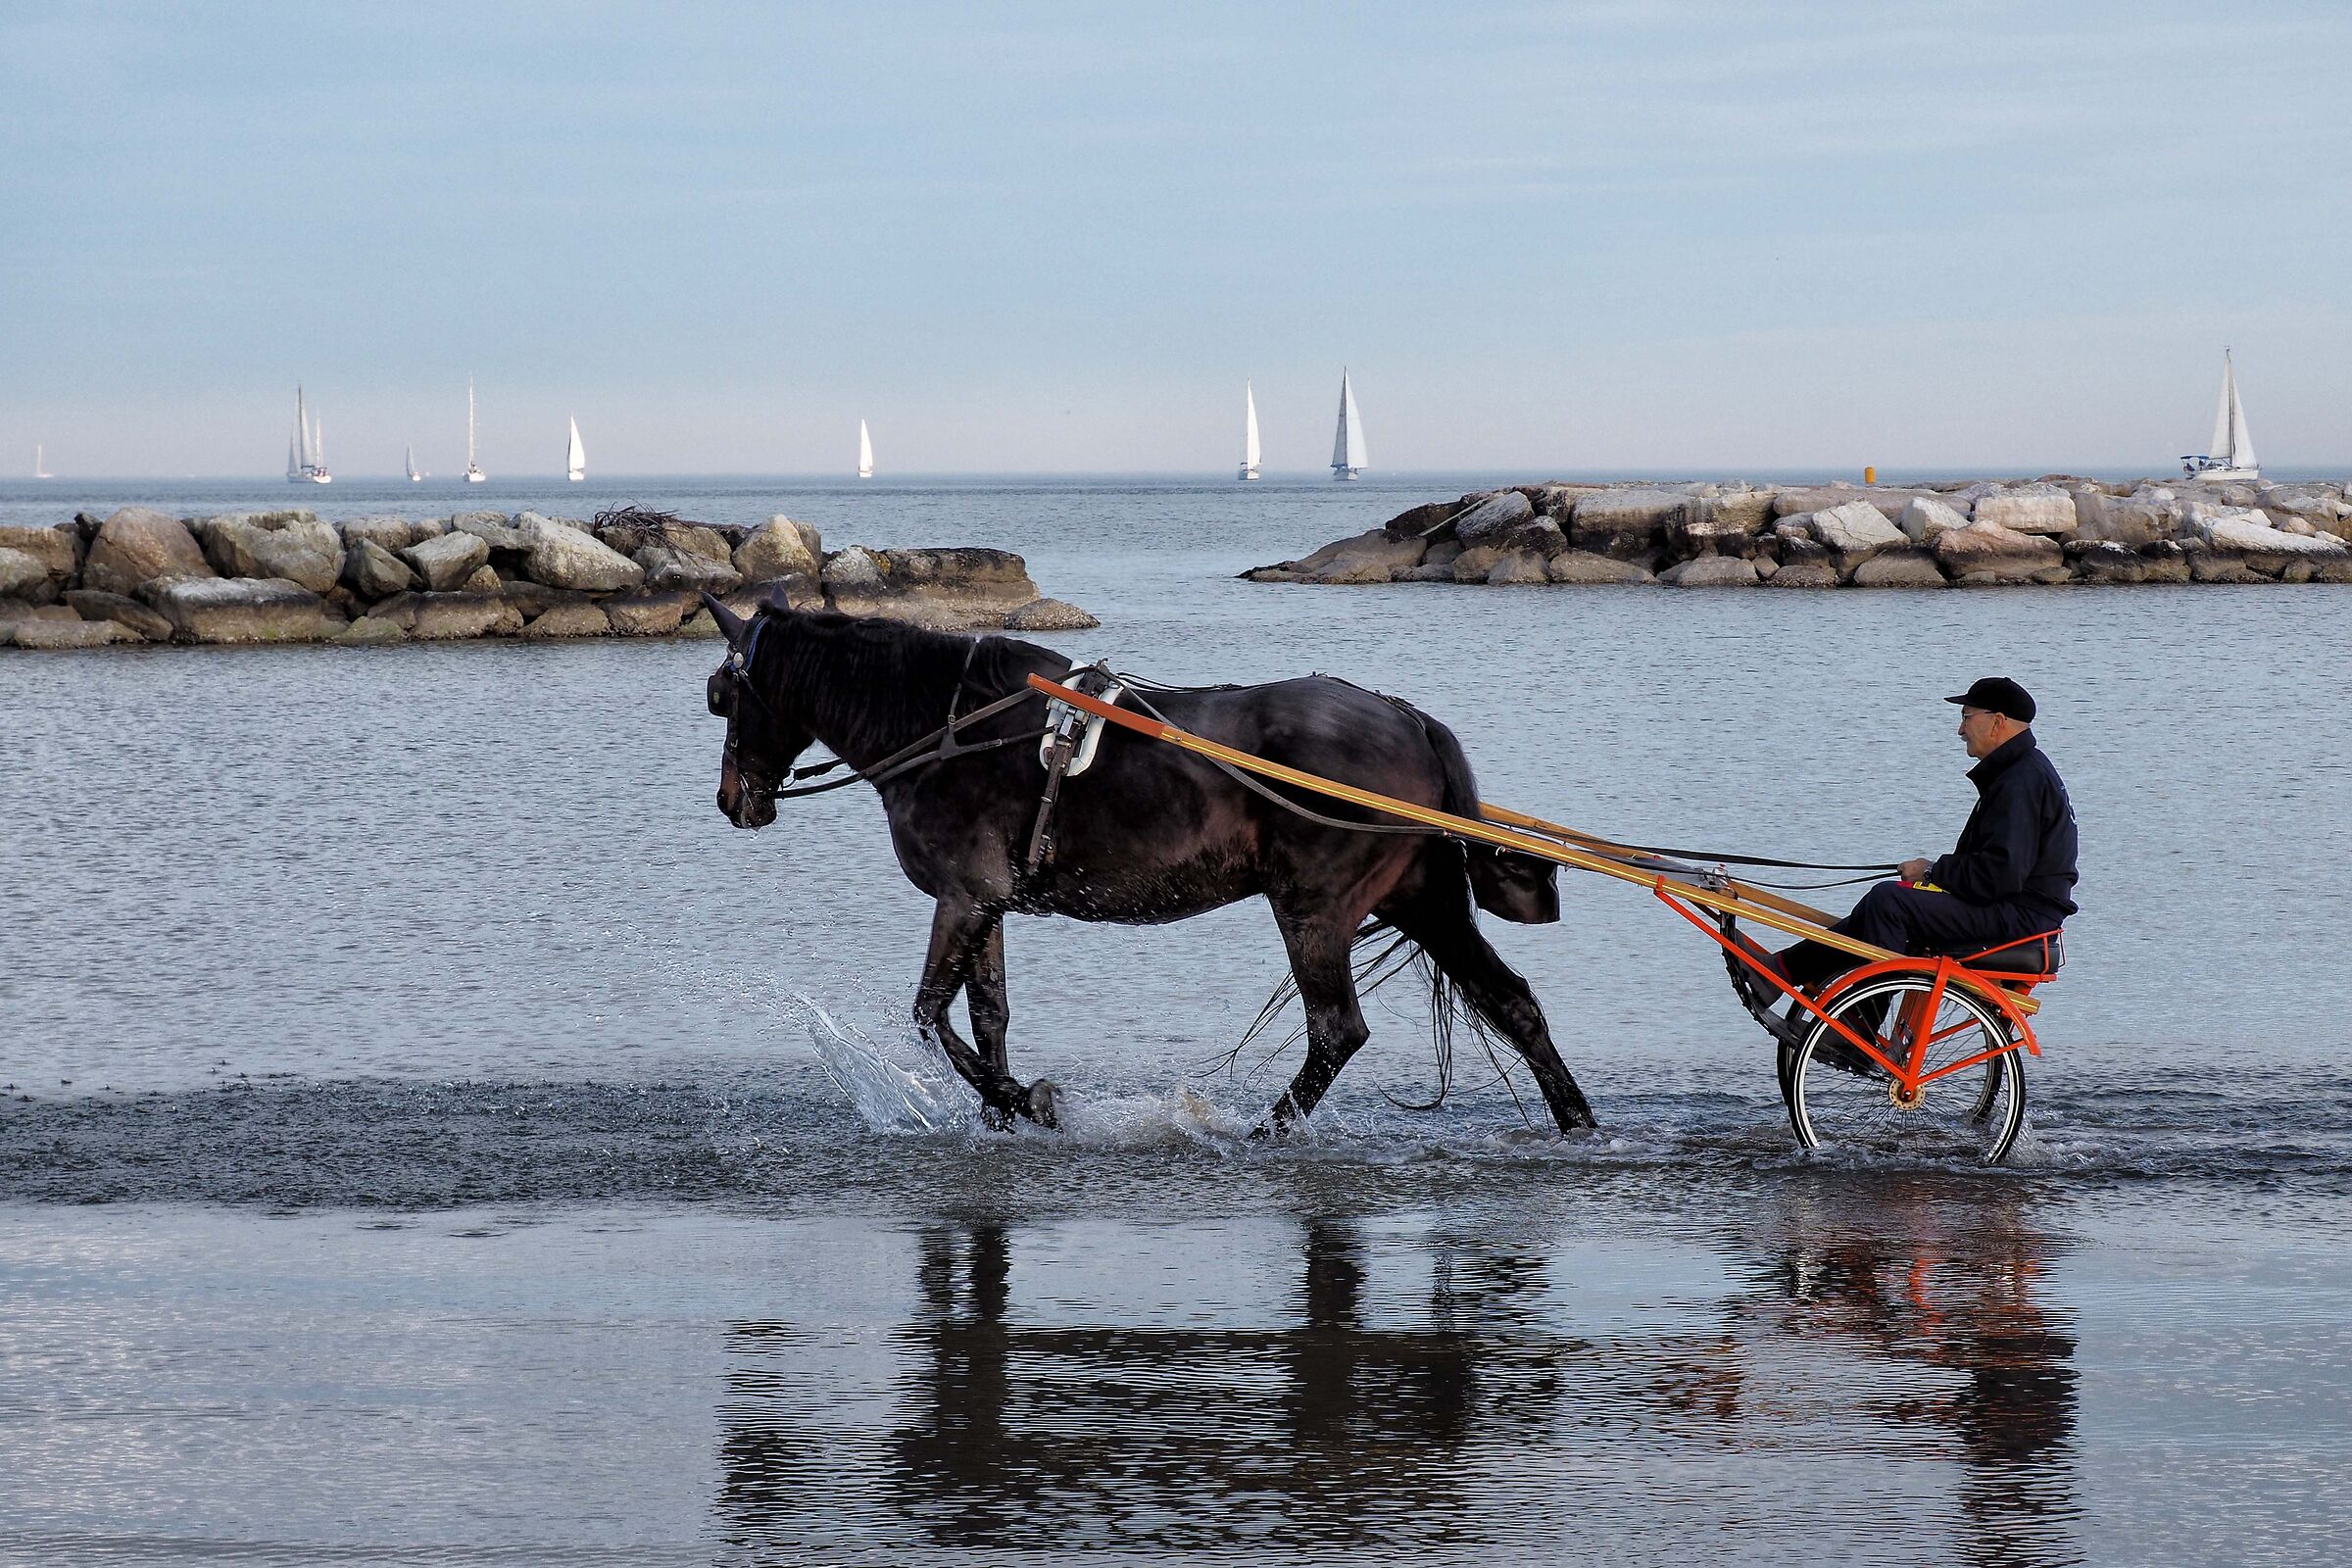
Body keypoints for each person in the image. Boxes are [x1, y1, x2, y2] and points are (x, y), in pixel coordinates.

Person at [1747, 677, 2078, 997]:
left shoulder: (2020, 782)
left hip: (2020, 920)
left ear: (1998, 722)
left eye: (1966, 717)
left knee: (1890, 902)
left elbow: (1998, 875)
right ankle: (1780, 971)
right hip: (2017, 911)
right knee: (1884, 905)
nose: (1960, 730)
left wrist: (1932, 871)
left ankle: (1859, 1021)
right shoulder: (2023, 771)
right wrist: (1934, 875)